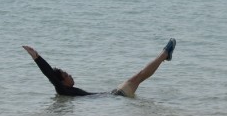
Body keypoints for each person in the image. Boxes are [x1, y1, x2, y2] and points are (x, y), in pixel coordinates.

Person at [22, 39, 177, 97]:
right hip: (115, 97)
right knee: (139, 76)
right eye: (67, 74)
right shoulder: (63, 89)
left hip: (113, 96)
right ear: (62, 82)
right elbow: (50, 75)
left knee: (141, 77)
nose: (70, 75)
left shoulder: (66, 91)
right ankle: (164, 53)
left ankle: (164, 55)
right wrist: (36, 57)